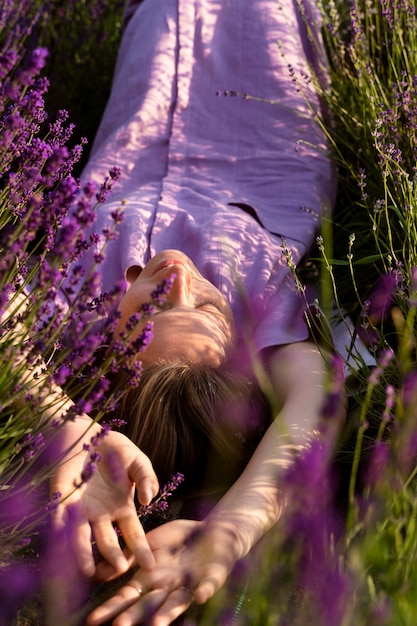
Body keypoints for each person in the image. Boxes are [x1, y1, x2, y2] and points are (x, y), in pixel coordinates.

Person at [47, 0, 348, 623]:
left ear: (106, 346)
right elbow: (315, 404)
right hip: (267, 144)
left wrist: (71, 429)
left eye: (154, 307)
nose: (181, 280)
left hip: (145, 126)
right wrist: (233, 528)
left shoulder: (75, 302)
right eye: (207, 307)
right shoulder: (262, 313)